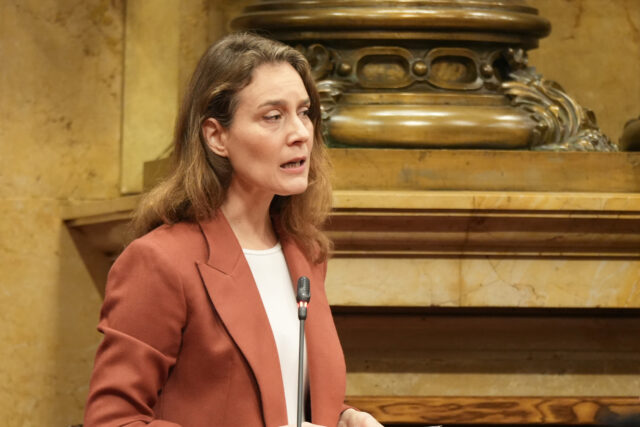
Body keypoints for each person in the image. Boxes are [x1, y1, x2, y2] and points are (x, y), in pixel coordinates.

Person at [83, 33, 382, 427]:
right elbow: (113, 420)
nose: (301, 133)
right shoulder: (159, 261)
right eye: (273, 117)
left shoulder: (305, 254)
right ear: (216, 136)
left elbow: (279, 398)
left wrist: (343, 417)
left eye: (305, 112)